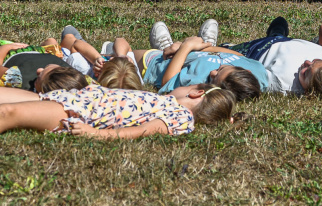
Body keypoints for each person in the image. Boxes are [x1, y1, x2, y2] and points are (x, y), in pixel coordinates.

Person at [0, 83, 235, 138]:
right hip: (66, 98)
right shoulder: (164, 101)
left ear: (196, 93)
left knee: (8, 112)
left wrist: (97, 134)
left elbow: (140, 131)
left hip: (72, 113)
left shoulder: (182, 117)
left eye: (188, 85)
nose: (179, 86)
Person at [225, 17, 322, 100]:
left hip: (260, 50)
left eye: (306, 73)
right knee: (279, 26)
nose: (306, 62)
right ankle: (277, 33)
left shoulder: (283, 85)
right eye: (315, 61)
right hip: (288, 42)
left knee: (229, 50)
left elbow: (252, 72)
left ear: (307, 92)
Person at [136, 20, 265, 101]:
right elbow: (239, 56)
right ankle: (205, 42)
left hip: (156, 62)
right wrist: (206, 47)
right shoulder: (257, 72)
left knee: (125, 53)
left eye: (214, 79)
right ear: (247, 71)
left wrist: (186, 47)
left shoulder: (199, 82)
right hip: (199, 53)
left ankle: (165, 49)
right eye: (221, 69)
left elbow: (168, 81)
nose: (212, 73)